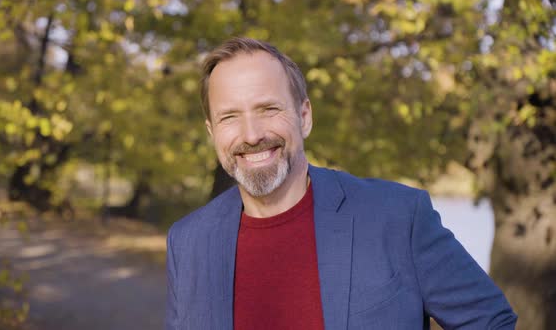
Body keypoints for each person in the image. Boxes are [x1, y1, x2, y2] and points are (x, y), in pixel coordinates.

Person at [165, 37, 516, 329]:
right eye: (230, 117)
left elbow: (491, 322)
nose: (252, 134)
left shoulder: (395, 217)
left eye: (268, 109)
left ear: (304, 117)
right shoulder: (188, 242)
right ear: (212, 132)